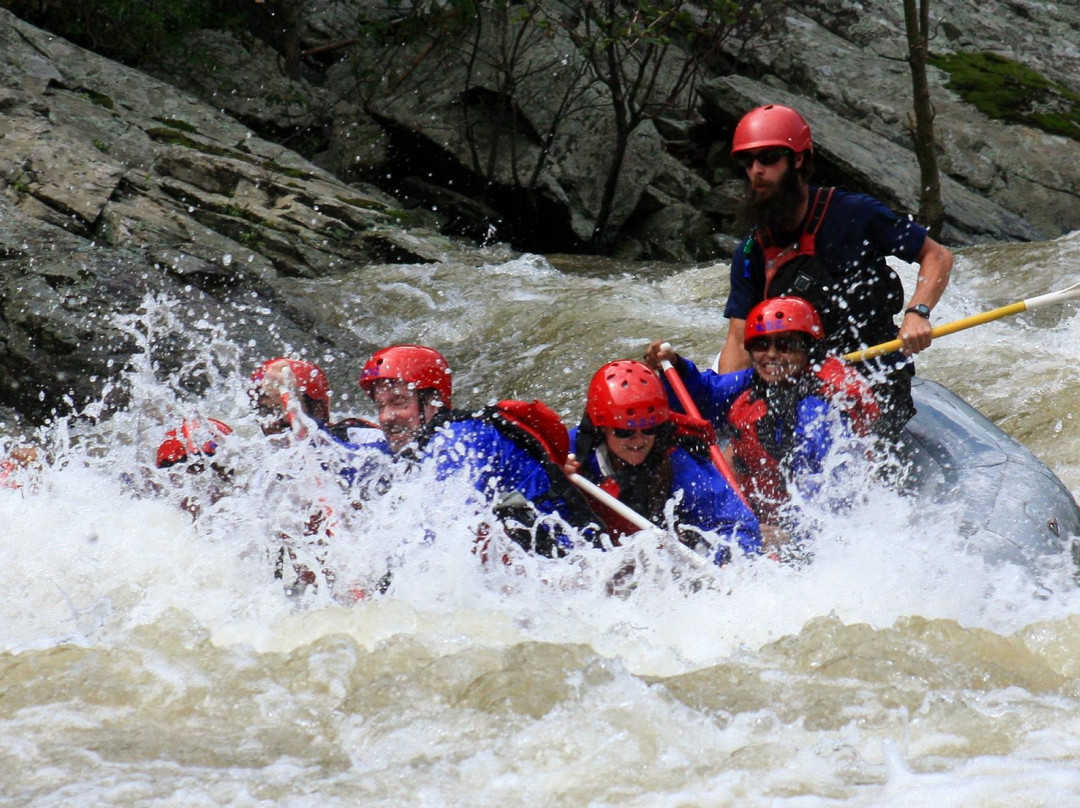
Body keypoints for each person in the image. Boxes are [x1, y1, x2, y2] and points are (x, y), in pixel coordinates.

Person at [718, 103, 954, 438]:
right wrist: (734, 410)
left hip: (871, 376)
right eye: (747, 161)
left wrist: (918, 312)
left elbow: (938, 256)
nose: (756, 170)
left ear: (797, 160)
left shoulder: (855, 213)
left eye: (768, 158)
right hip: (793, 379)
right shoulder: (751, 250)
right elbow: (739, 339)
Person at [648, 297, 880, 550]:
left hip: (808, 534)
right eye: (761, 344)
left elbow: (832, 502)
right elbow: (705, 395)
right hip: (760, 513)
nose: (771, 354)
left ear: (808, 349)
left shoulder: (820, 412)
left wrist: (787, 536)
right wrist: (678, 366)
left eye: (785, 345)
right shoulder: (756, 381)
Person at [357, 344, 598, 556]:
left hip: (567, 560)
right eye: (381, 406)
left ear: (433, 400)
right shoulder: (420, 448)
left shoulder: (460, 440)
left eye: (399, 402)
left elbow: (444, 537)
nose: (387, 416)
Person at [564, 359, 761, 565]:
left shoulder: (679, 463)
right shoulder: (571, 451)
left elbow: (739, 525)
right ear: (601, 428)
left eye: (649, 429)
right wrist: (557, 478)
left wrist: (726, 562)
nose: (639, 441)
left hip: (669, 557)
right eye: (625, 432)